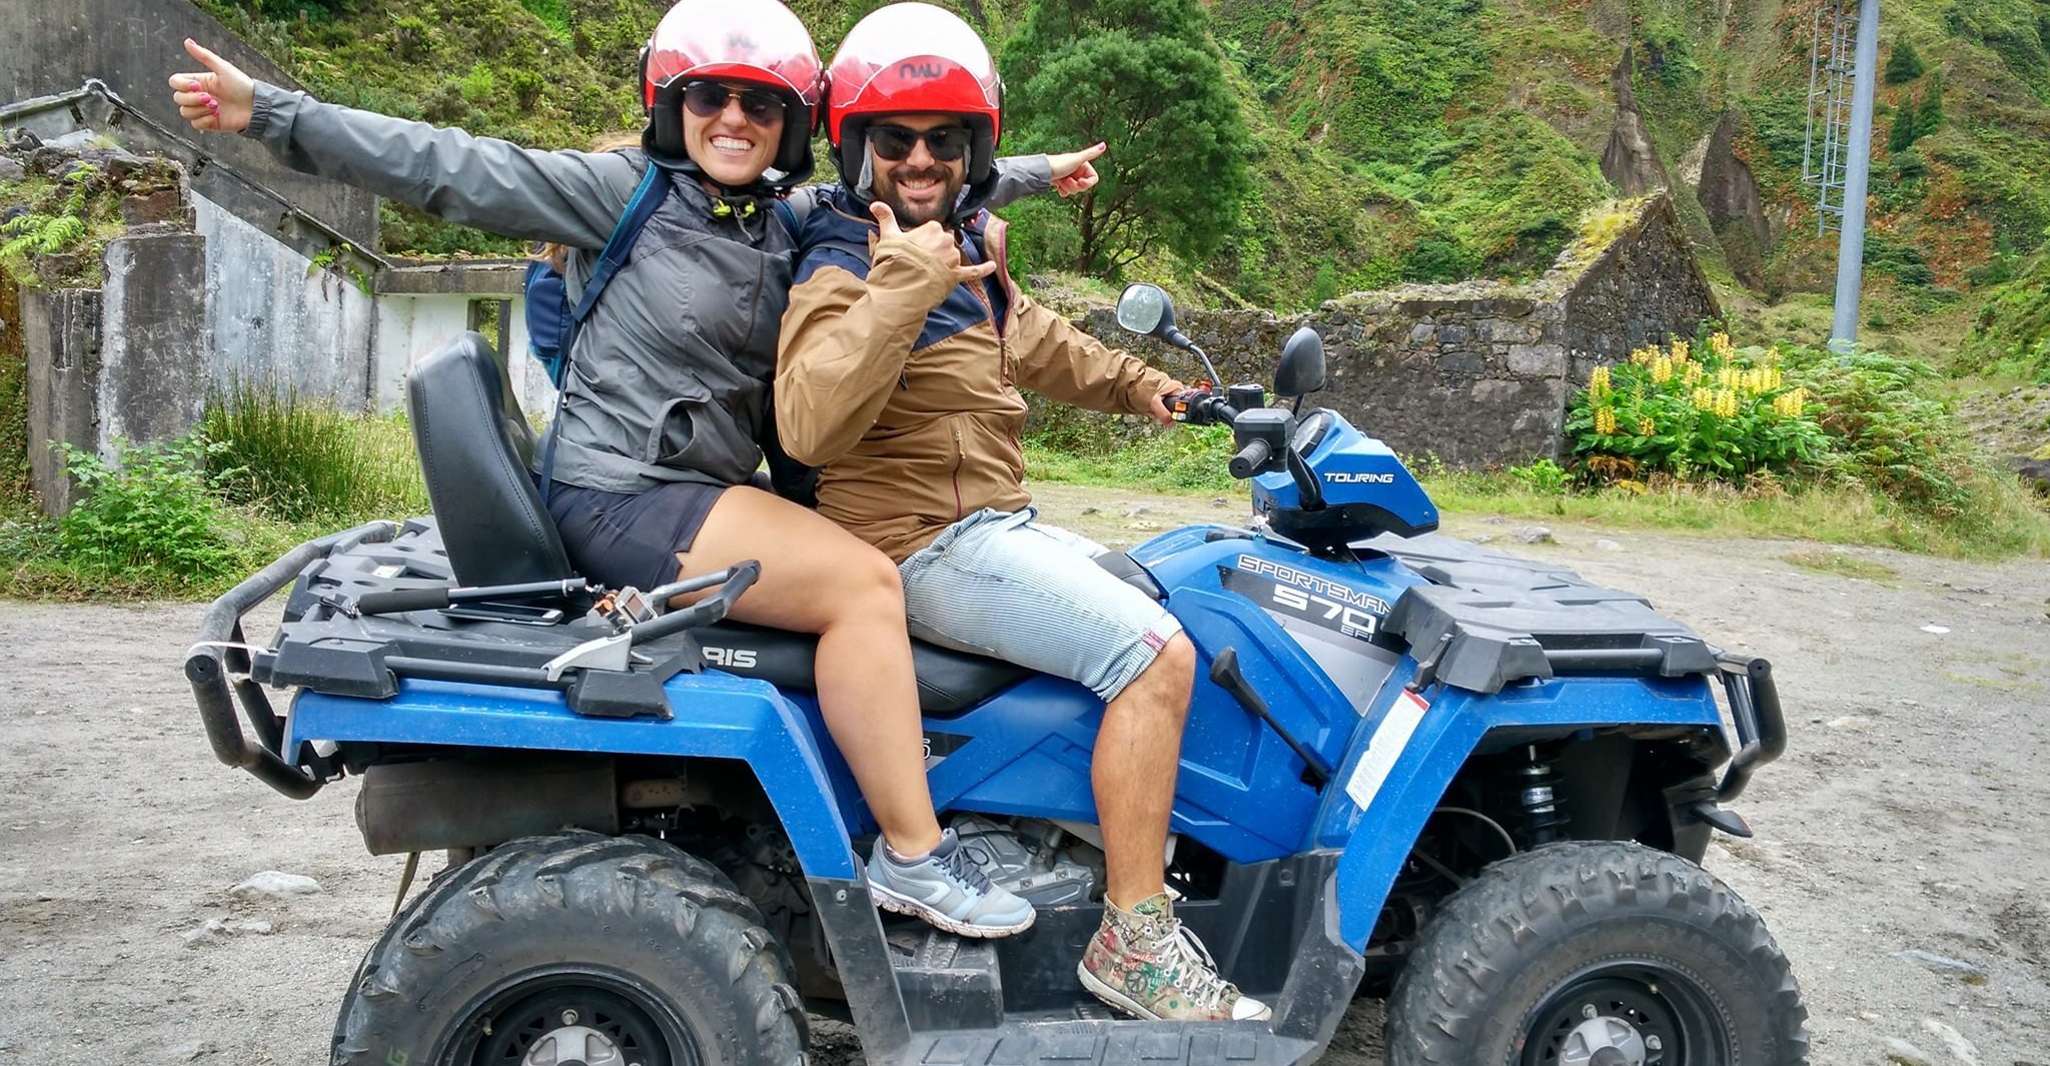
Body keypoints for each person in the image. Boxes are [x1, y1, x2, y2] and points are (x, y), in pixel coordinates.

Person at [166, 0, 1105, 940]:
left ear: (791, 125)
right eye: (709, 98)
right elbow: (444, 165)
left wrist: (1036, 170)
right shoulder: (622, 194)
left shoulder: (781, 217)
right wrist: (270, 114)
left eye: (761, 104)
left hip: (696, 490)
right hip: (622, 491)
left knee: (858, 552)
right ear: (670, 105)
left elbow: (913, 172)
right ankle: (914, 854)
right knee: (863, 586)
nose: (734, 119)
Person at [775, 2, 1271, 1023]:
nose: (920, 158)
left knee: (1185, 588)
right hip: (920, 541)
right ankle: (1135, 940)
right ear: (858, 148)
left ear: (974, 150)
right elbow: (810, 421)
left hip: (993, 520)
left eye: (944, 139)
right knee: (1155, 655)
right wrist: (901, 288)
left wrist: (1157, 390)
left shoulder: (961, 243)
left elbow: (1034, 339)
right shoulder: (844, 256)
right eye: (895, 138)